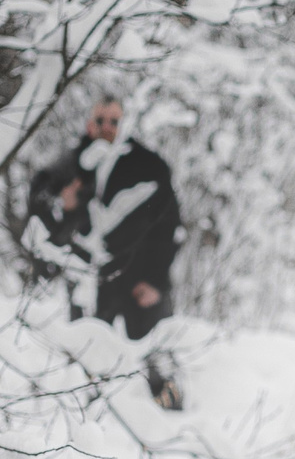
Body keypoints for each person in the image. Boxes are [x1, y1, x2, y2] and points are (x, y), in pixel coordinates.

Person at [27, 96, 187, 409]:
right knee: (84, 357)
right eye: (101, 120)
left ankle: (170, 417)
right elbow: (42, 214)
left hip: (141, 280)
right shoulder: (70, 166)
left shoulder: (148, 165)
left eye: (114, 120)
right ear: (89, 123)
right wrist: (67, 205)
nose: (107, 128)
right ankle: (82, 414)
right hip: (89, 281)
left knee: (155, 354)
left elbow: (170, 228)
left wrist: (155, 281)